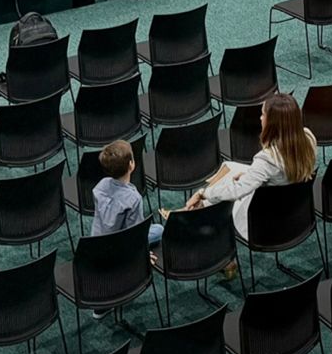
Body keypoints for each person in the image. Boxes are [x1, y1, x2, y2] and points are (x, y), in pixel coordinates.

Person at [185, 91, 317, 240]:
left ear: (272, 123)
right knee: (230, 167)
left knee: (227, 190)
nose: (260, 118)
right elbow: (281, 172)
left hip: (263, 219)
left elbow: (237, 192)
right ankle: (201, 205)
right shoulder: (308, 138)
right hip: (293, 209)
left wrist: (203, 193)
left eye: (263, 114)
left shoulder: (267, 159)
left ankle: (199, 212)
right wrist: (251, 176)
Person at [90, 140, 163, 246]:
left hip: (98, 241)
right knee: (159, 229)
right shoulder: (134, 198)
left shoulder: (101, 185)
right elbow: (135, 233)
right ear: (131, 164)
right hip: (120, 245)